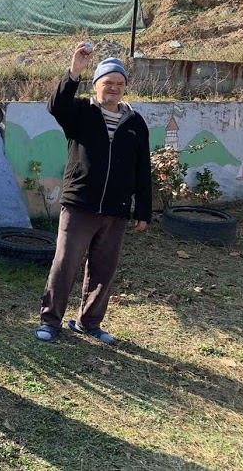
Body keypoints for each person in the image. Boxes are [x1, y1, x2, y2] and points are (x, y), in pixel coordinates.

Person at [35, 44, 151, 345]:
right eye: (108, 82)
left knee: (104, 270)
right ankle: (50, 320)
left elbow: (142, 167)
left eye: (119, 83)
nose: (114, 88)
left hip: (116, 209)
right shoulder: (80, 113)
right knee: (65, 264)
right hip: (80, 204)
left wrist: (143, 210)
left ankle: (89, 323)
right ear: (96, 84)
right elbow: (56, 106)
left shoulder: (135, 122)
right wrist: (74, 71)